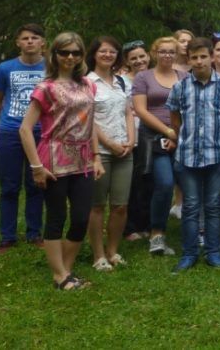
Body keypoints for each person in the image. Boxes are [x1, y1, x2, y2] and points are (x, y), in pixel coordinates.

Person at [18, 32, 103, 290]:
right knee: (56, 217)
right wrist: (36, 167)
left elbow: (90, 124)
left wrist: (97, 156)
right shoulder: (46, 88)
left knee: (80, 218)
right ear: (54, 54)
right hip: (53, 161)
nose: (70, 57)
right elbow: (25, 129)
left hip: (83, 160)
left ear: (81, 56)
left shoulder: (89, 85)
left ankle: (66, 270)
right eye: (64, 52)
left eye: (75, 53)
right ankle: (60, 276)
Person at [165, 37, 220, 272]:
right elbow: (175, 118)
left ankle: (214, 252)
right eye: (194, 57)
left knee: (214, 205)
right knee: (191, 206)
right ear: (189, 60)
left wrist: (218, 135)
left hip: (217, 155)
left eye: (203, 56)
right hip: (187, 157)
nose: (199, 61)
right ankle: (189, 253)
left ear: (212, 57)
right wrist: (183, 137)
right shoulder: (180, 87)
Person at [0, 23, 47, 253]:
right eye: (25, 38)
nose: (30, 41)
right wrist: (8, 120)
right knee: (9, 187)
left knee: (37, 184)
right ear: (18, 43)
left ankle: (34, 233)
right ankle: (8, 236)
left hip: (41, 132)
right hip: (10, 133)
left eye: (35, 37)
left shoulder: (50, 68)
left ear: (43, 42)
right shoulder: (5, 68)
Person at [131, 37, 186, 256]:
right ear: (155, 53)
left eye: (171, 52)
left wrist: (177, 134)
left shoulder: (184, 77)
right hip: (154, 138)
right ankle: (157, 234)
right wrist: (167, 132)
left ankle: (194, 233)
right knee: (164, 183)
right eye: (163, 51)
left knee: (190, 186)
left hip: (182, 137)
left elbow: (189, 107)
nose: (167, 56)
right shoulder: (143, 77)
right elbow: (141, 110)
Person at [86, 37, 135, 272]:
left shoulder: (122, 82)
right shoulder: (86, 82)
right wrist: (109, 143)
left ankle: (112, 250)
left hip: (125, 150)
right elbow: (88, 120)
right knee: (97, 206)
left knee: (120, 205)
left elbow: (128, 112)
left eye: (112, 51)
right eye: (103, 51)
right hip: (100, 152)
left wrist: (131, 139)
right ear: (94, 54)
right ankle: (98, 255)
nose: (108, 55)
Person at [120, 40, 152, 241]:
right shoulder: (121, 81)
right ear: (126, 61)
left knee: (149, 181)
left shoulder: (155, 76)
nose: (139, 61)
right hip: (129, 136)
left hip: (153, 135)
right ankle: (130, 227)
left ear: (148, 56)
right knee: (131, 183)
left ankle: (147, 224)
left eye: (142, 56)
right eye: (134, 58)